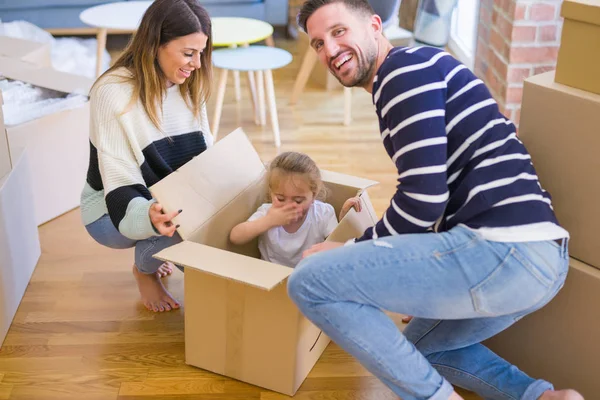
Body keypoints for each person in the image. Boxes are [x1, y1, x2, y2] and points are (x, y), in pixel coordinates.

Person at [286, 1, 584, 399]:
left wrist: (350, 247)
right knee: (424, 347)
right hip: (540, 262)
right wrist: (422, 279)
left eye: (339, 32)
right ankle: (543, 397)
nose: (330, 49)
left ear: (375, 25)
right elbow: (437, 196)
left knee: (309, 280)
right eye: (318, 43)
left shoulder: (402, 73)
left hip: (503, 250)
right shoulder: (420, 68)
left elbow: (423, 197)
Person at [80, 0, 214, 313]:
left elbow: (205, 153)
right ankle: (144, 269)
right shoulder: (113, 92)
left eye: (202, 52)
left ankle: (162, 246)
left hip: (168, 199)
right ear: (156, 44)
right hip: (111, 211)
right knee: (186, 234)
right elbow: (119, 178)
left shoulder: (188, 83)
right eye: (188, 52)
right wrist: (149, 216)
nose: (196, 64)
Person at [230, 151, 360, 268]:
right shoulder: (266, 212)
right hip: (270, 276)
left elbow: (337, 246)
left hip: (306, 275)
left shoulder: (323, 213)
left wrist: (343, 218)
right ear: (271, 193)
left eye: (298, 200)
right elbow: (235, 237)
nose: (289, 205)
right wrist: (269, 221)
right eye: (281, 199)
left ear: (313, 195)